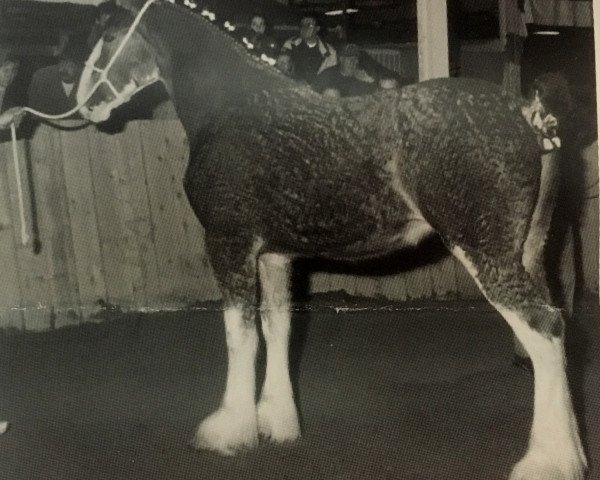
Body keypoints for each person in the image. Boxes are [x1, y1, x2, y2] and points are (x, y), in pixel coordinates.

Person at [27, 38, 89, 118]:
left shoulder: (90, 82)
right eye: (62, 61)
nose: (63, 68)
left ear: (81, 67)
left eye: (71, 64)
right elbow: (34, 114)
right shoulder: (41, 78)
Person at [282, 16, 337, 85]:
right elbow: (282, 69)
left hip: (317, 90)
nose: (304, 28)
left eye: (309, 25)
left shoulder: (329, 51)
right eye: (302, 25)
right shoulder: (290, 44)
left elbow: (330, 76)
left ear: (317, 28)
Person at [313, 43, 380, 97]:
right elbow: (312, 91)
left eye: (356, 59)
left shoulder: (362, 77)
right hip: (333, 109)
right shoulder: (328, 74)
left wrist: (368, 80)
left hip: (353, 109)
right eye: (350, 59)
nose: (354, 63)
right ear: (341, 59)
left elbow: (375, 93)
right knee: (331, 93)